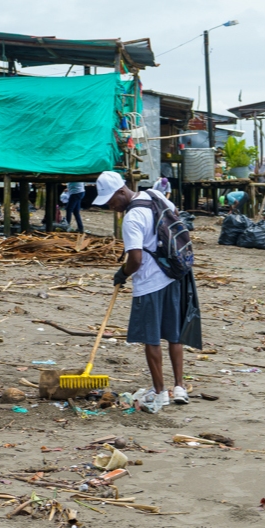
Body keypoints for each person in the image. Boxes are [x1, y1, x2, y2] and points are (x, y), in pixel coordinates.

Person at [93, 171, 189, 408]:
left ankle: (159, 393)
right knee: (173, 334)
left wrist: (123, 273)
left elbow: (135, 259)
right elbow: (176, 219)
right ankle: (179, 387)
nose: (110, 207)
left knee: (151, 338)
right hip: (173, 274)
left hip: (150, 283)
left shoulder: (131, 218)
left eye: (111, 201)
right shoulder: (155, 195)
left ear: (122, 191)